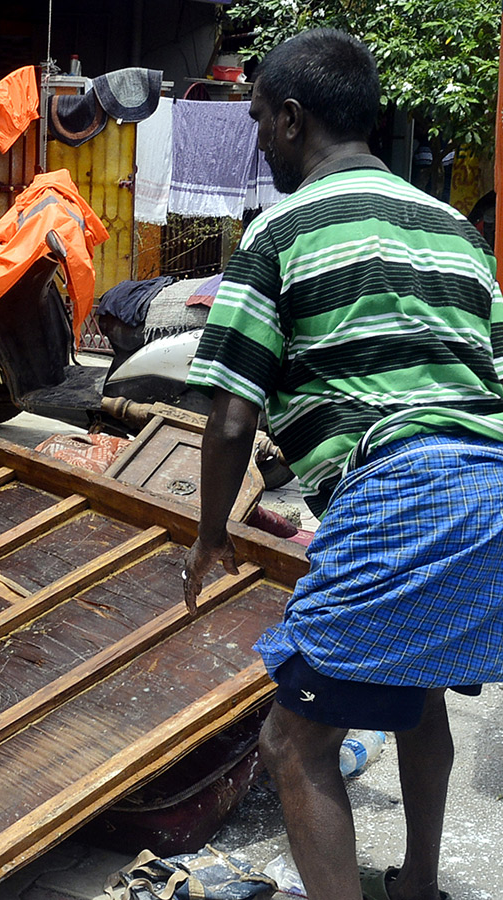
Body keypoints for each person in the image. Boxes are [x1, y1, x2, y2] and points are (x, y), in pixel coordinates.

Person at [182, 29, 503, 900]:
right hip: (494, 490)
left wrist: (212, 535)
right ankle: (420, 886)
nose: (256, 141)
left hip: (401, 489)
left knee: (292, 742)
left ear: (291, 119)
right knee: (420, 685)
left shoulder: (279, 230)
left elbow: (230, 418)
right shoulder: (456, 232)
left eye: (257, 122)